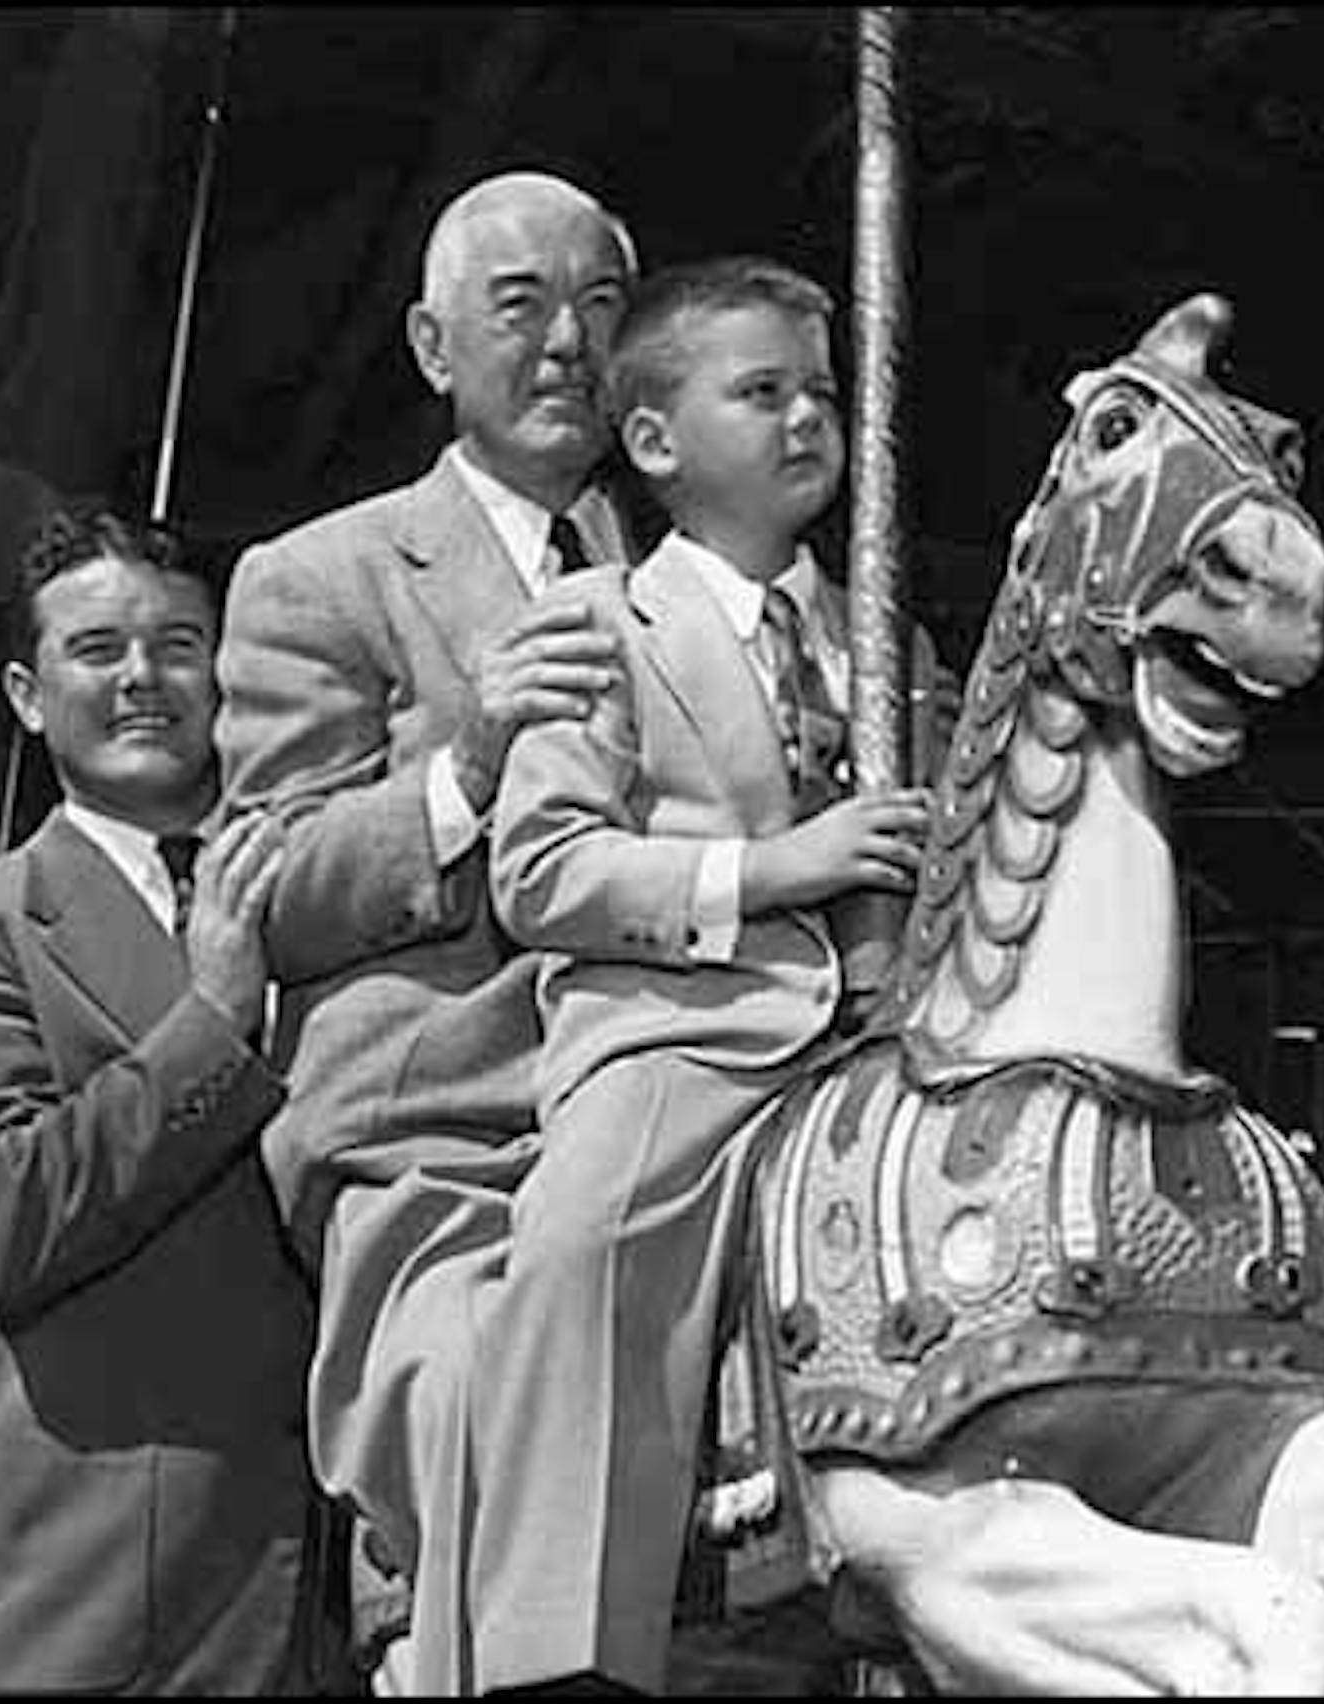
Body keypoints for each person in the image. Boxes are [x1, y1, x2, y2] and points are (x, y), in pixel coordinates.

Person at [479, 256, 934, 1693]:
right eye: (762, 391)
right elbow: (541, 869)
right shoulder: (601, 625)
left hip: (894, 1041)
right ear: (656, 441)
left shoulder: (893, 644)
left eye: (824, 392)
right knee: (587, 1242)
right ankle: (560, 1651)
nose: (807, 417)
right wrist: (775, 870)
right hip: (687, 1039)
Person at [212, 169, 640, 1695]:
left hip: (673, 1092)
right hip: (445, 1130)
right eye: (522, 305)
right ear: (431, 346)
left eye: (603, 306)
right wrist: (468, 762)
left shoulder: (696, 579)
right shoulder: (320, 576)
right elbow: (273, 886)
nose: (569, 342)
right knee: (481, 1391)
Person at [0, 507, 327, 1694]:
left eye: (179, 645)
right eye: (97, 648)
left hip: (354, 1588)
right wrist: (214, 1018)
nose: (142, 678)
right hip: (104, 1602)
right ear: (27, 695)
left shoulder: (325, 889)